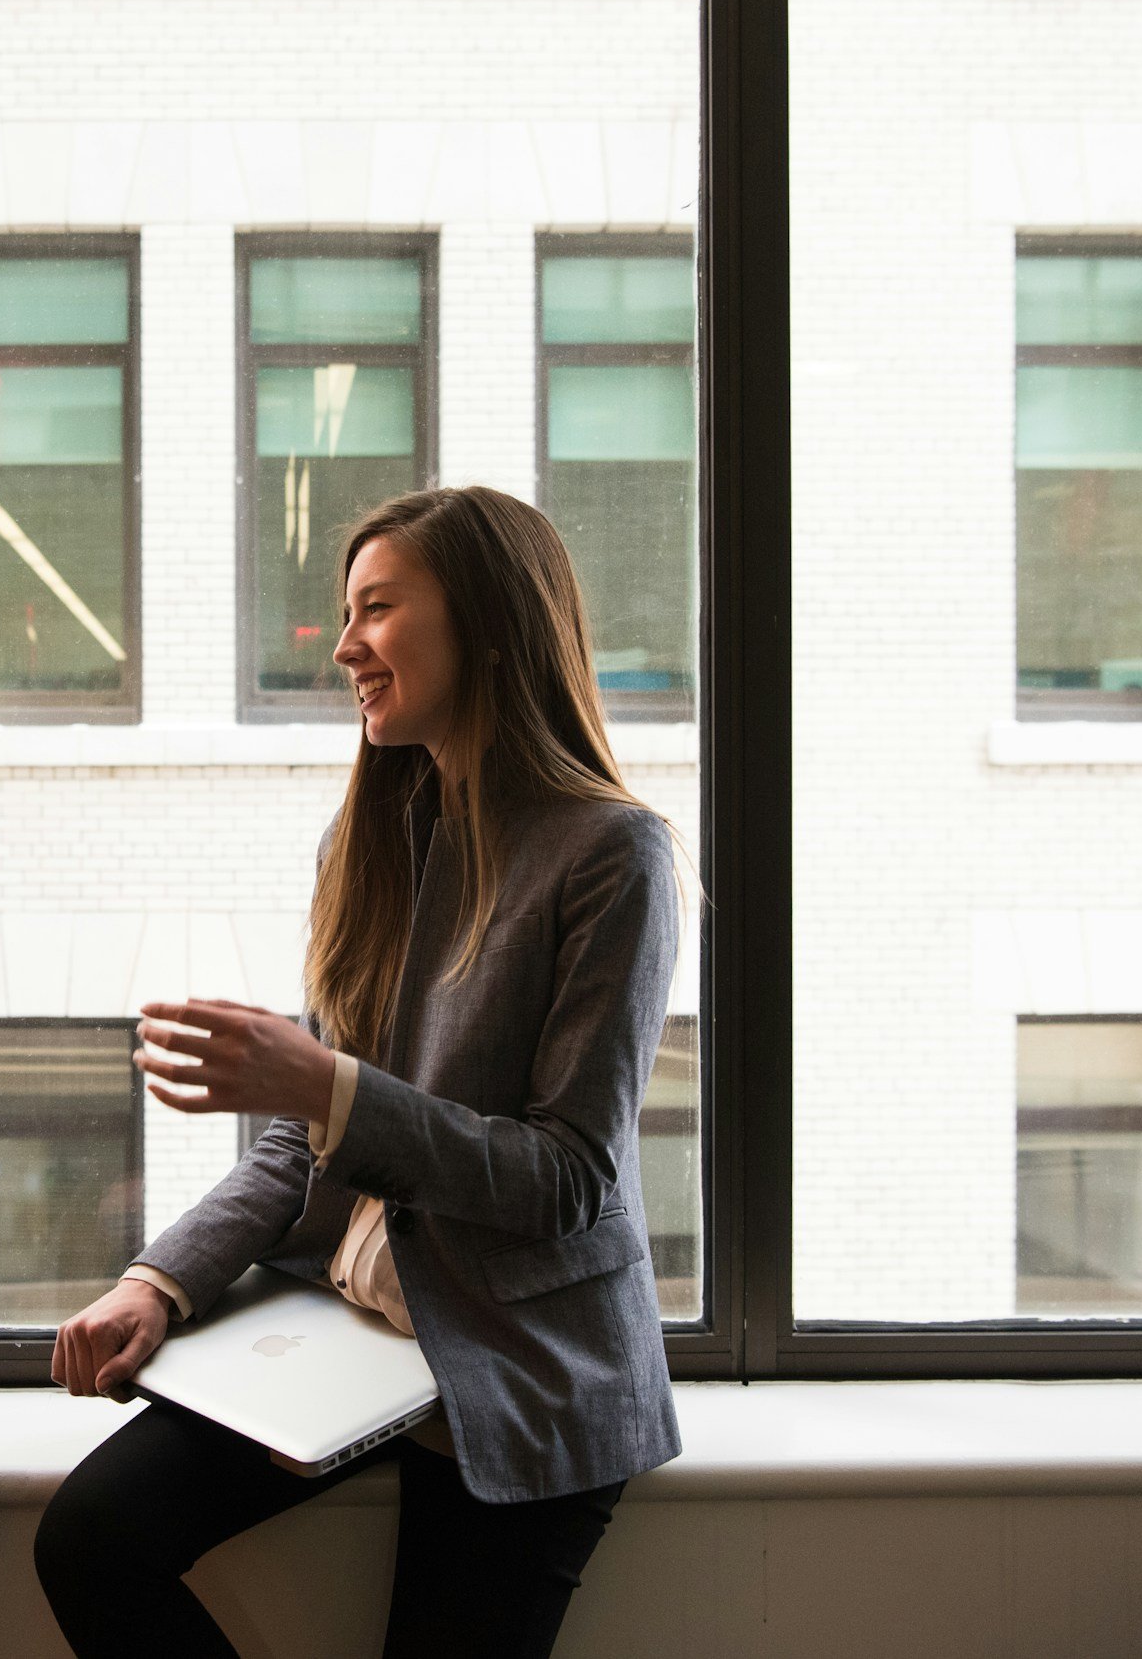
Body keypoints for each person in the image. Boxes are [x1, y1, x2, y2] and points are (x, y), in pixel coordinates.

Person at [35, 487, 686, 1659]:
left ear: (489, 623)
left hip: (520, 1361)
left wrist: (326, 1089)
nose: (342, 646)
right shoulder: (369, 837)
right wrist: (157, 1283)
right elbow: (301, 1141)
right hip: (355, 1331)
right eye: (346, 614)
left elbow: (569, 1178)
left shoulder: (611, 852)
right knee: (88, 1538)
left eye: (376, 609)